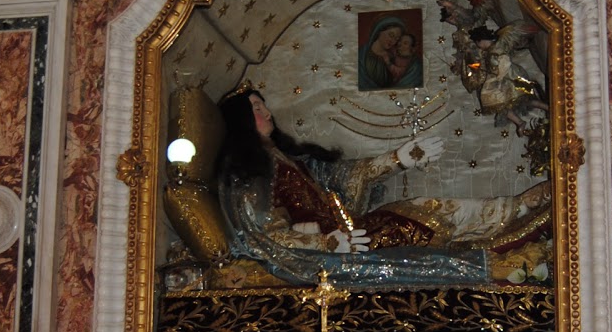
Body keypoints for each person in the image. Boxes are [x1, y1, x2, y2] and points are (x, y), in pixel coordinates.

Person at [214, 86, 550, 288]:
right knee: (423, 224)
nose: (268, 112)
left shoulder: (289, 158)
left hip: (350, 235)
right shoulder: (247, 175)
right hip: (328, 252)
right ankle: (510, 230)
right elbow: (261, 236)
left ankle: (515, 209)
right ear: (240, 121)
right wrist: (324, 243)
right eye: (256, 108)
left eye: (263, 104)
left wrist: (398, 158)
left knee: (423, 209)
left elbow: (342, 178)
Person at [358, 16, 406, 90]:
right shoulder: (361, 55)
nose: (393, 41)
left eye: (397, 39)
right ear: (379, 30)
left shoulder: (392, 58)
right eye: (391, 35)